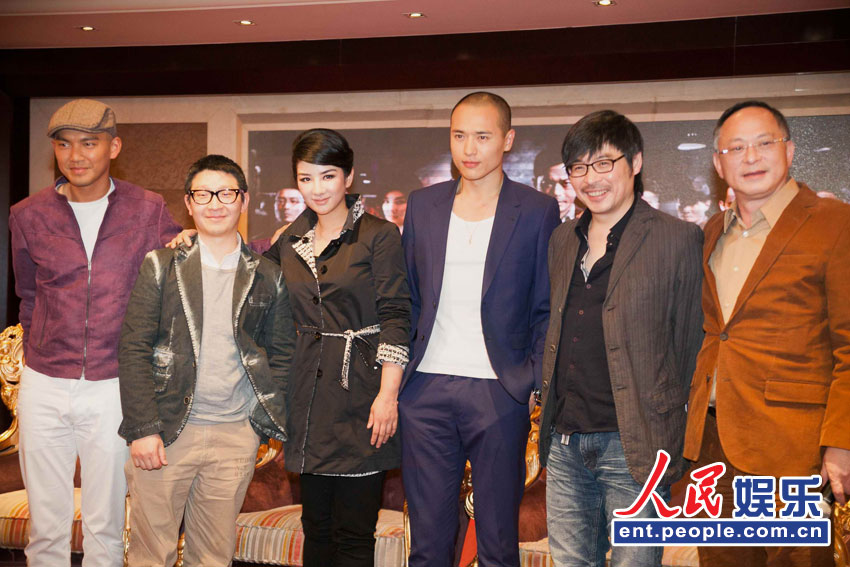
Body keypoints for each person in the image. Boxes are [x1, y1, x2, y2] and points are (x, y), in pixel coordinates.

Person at [8, 98, 182, 566]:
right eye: (64, 145)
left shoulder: (148, 209)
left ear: (113, 147)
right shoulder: (27, 214)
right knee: (45, 527)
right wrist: (40, 353)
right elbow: (28, 294)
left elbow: (187, 263)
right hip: (44, 382)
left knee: (105, 525)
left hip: (113, 383)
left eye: (89, 143)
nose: (76, 155)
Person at [683, 100, 850, 567]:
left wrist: (842, 442)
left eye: (763, 143)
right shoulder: (712, 232)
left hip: (794, 450)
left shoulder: (836, 224)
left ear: (789, 150)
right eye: (735, 148)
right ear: (719, 164)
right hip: (714, 447)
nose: (751, 157)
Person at [399, 91, 560, 567]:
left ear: (507, 140)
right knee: (427, 544)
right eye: (459, 136)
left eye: (483, 136)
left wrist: (530, 381)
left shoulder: (536, 210)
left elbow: (545, 305)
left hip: (499, 390)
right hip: (425, 389)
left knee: (497, 543)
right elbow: (408, 297)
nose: (469, 149)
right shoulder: (423, 204)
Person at [538, 110, 704, 567]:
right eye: (578, 167)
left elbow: (690, 344)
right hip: (565, 440)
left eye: (603, 163)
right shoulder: (562, 240)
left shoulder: (677, 239)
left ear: (635, 162)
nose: (590, 179)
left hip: (636, 443)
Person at [118, 154, 294, 566]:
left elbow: (282, 354)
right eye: (203, 194)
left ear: (243, 200)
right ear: (189, 202)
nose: (215, 203)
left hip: (234, 435)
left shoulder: (267, 275)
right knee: (150, 556)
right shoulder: (161, 265)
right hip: (166, 434)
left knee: (214, 557)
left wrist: (257, 425)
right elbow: (134, 346)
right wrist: (143, 429)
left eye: (226, 193)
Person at [263, 129, 410, 567]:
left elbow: (396, 315)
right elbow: (248, 280)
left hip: (363, 394)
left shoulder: (379, 234)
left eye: (327, 176)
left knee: (353, 535)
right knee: (317, 529)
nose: (317, 189)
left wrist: (388, 395)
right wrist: (193, 239)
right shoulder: (289, 239)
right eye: (305, 178)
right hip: (308, 398)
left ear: (348, 177)